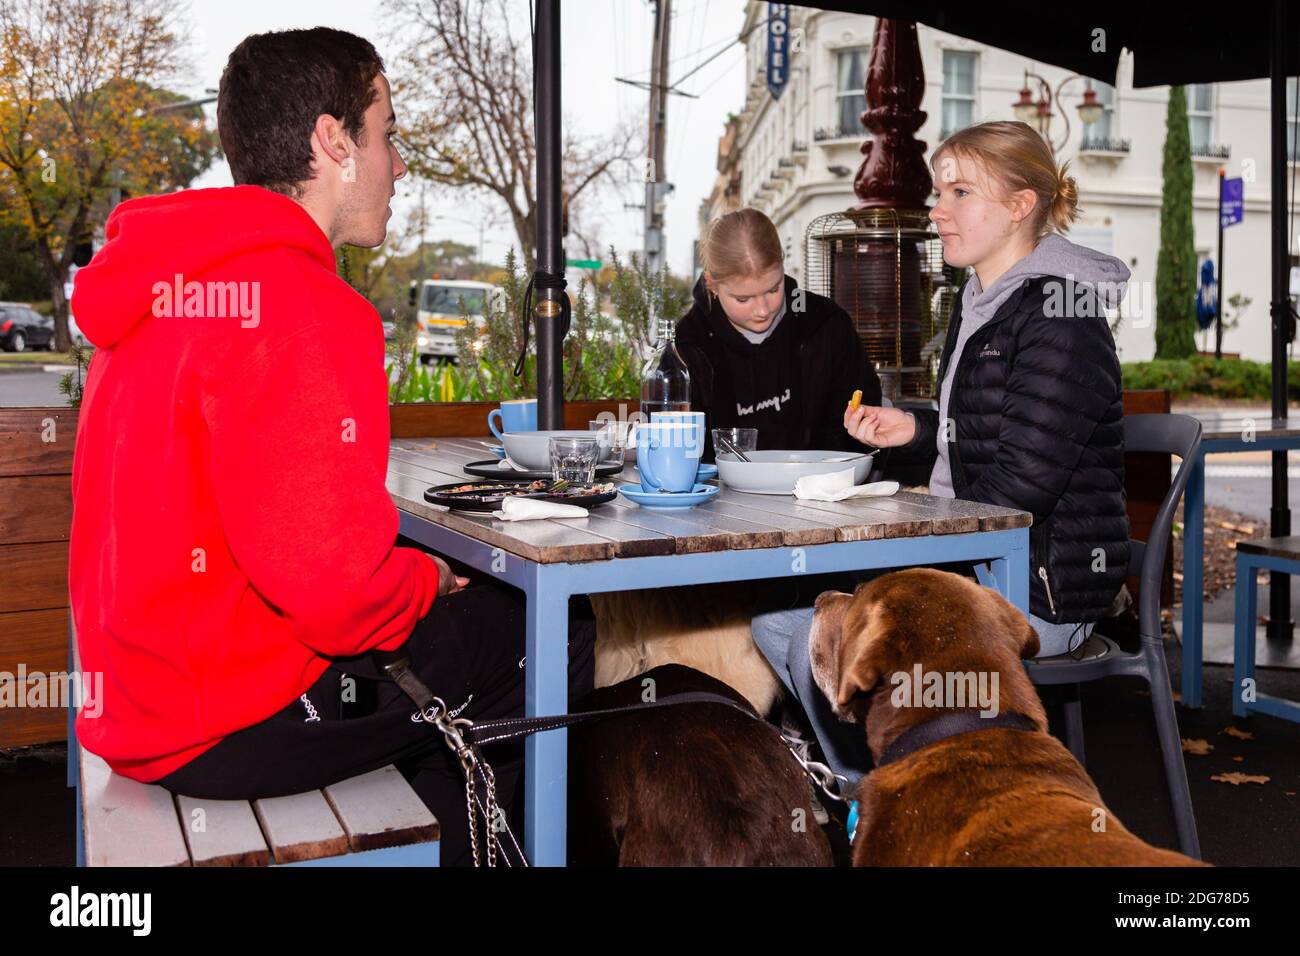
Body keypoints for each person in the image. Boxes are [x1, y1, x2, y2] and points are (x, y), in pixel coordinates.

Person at [67, 27, 593, 867]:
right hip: (222, 728)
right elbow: (337, 595)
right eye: (387, 134)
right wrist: (421, 578)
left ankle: (441, 817)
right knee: (542, 628)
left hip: (135, 695)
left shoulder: (170, 287)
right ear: (332, 141)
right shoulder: (306, 306)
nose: (398, 162)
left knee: (448, 644)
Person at [753, 120, 1132, 790]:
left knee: (801, 620)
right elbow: (987, 435)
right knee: (781, 615)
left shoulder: (1062, 317)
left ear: (1020, 206)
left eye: (959, 192)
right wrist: (916, 429)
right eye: (938, 191)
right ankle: (876, 790)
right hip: (984, 560)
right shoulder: (982, 303)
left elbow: (1021, 489)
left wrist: (909, 526)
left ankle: (886, 794)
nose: (936, 209)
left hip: (1039, 592)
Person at [675, 207, 883, 463]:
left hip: (824, 493)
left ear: (783, 265)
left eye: (773, 289)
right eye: (743, 298)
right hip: (722, 500)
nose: (762, 310)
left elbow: (865, 415)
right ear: (712, 284)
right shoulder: (687, 345)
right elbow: (682, 449)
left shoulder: (825, 322)